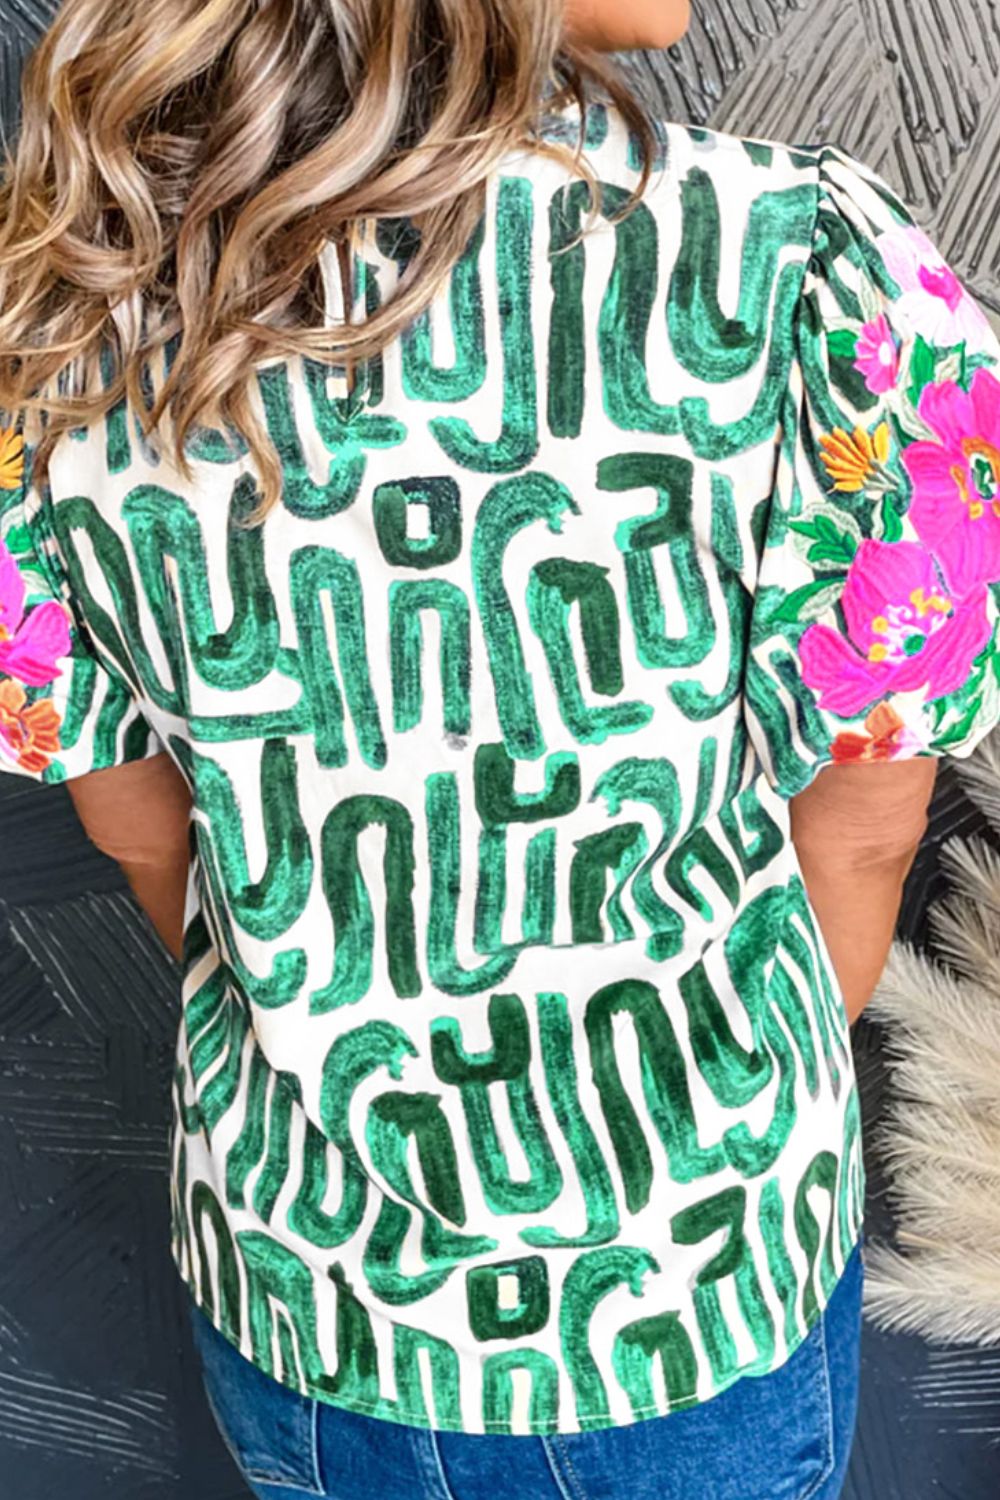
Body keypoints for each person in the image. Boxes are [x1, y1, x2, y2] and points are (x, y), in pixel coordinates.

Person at [1, 0, 998, 1495]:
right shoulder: (812, 274)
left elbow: (141, 832)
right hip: (694, 1311)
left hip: (300, 1293)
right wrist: (711, 1131)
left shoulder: (60, 315)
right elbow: (863, 832)